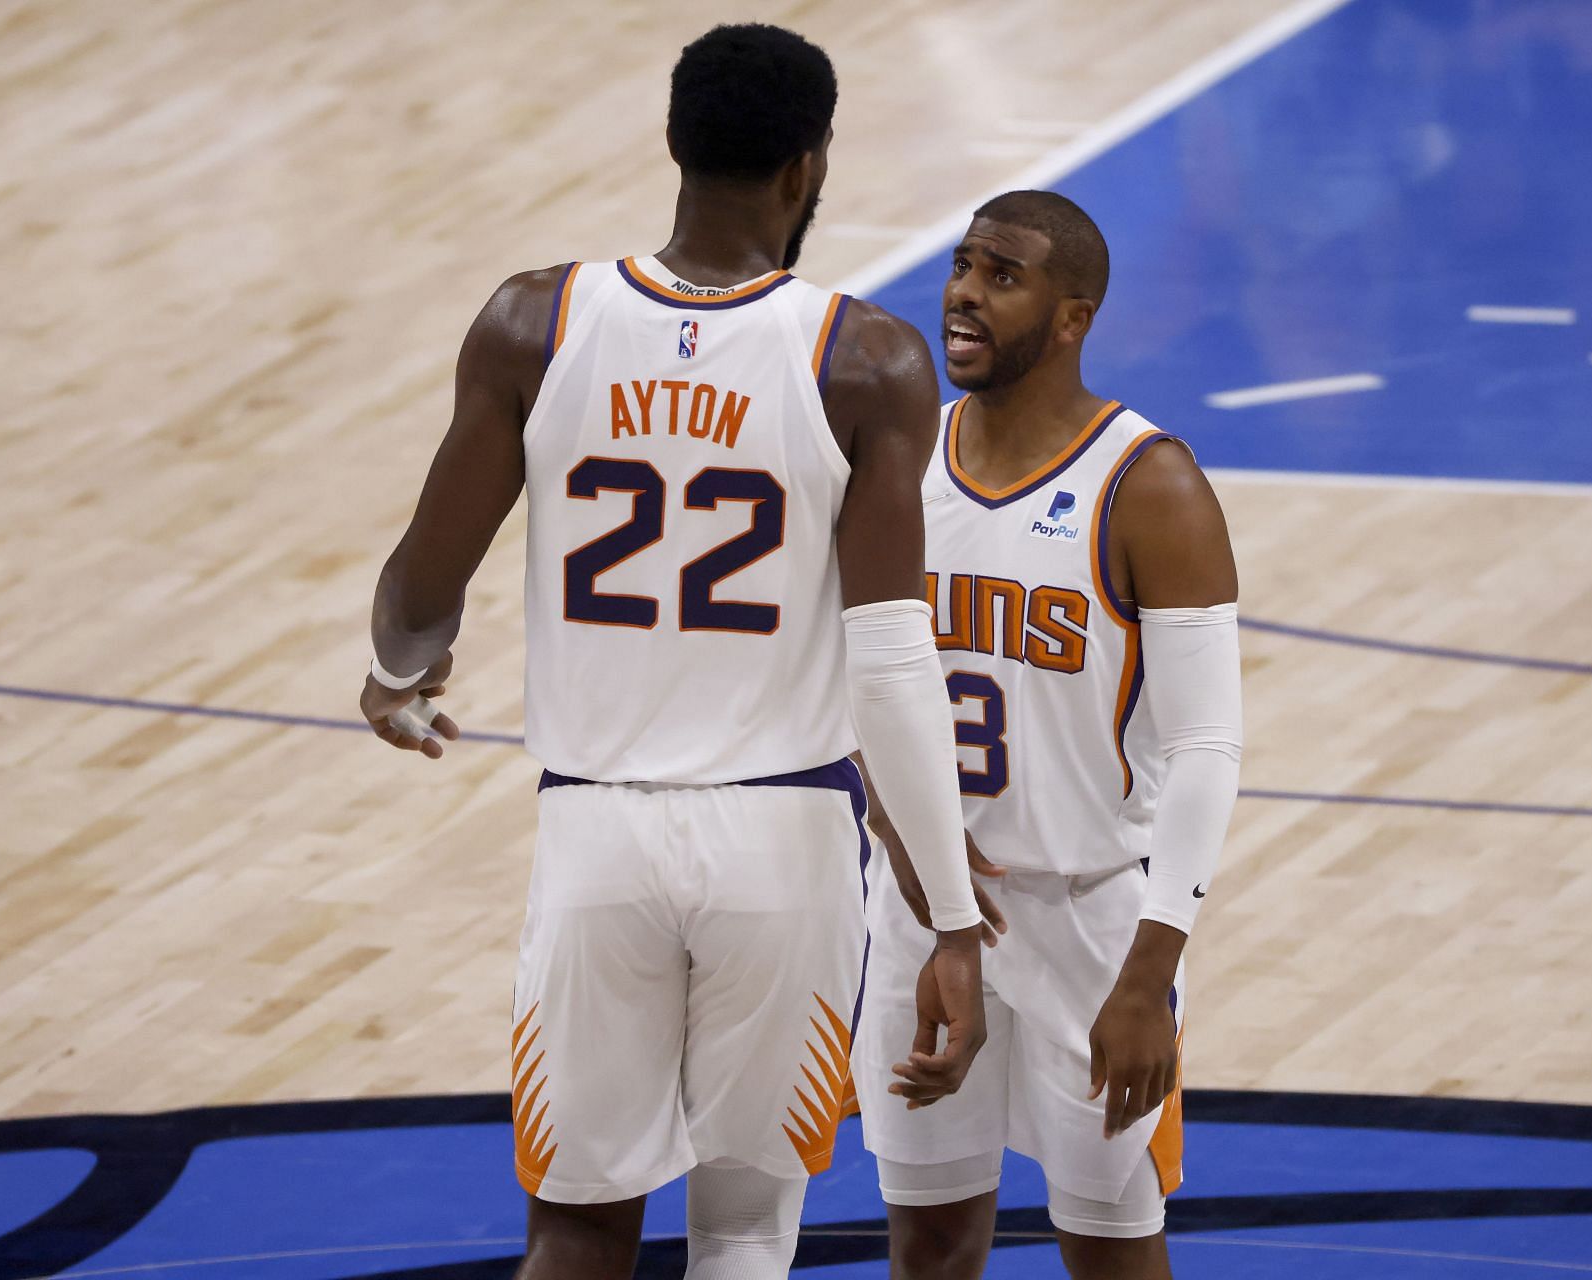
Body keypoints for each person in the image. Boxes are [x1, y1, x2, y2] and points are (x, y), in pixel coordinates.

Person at [356, 25, 988, 1280]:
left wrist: (397, 669)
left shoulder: (536, 320)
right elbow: (892, 661)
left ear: (671, 142)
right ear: (810, 165)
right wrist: (953, 918)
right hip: (787, 837)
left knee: (581, 1228)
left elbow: (427, 572)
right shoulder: (869, 360)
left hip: (597, 835)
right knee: (748, 1229)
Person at [850, 190, 1244, 1280]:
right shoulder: (893, 463)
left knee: (1110, 1249)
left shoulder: (1151, 484)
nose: (964, 293)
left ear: (1072, 318)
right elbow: (852, 690)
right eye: (963, 265)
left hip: (1091, 920)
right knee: (927, 1238)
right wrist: (920, 871)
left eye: (1003, 275)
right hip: (928, 908)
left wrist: (1147, 974)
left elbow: (1210, 748)